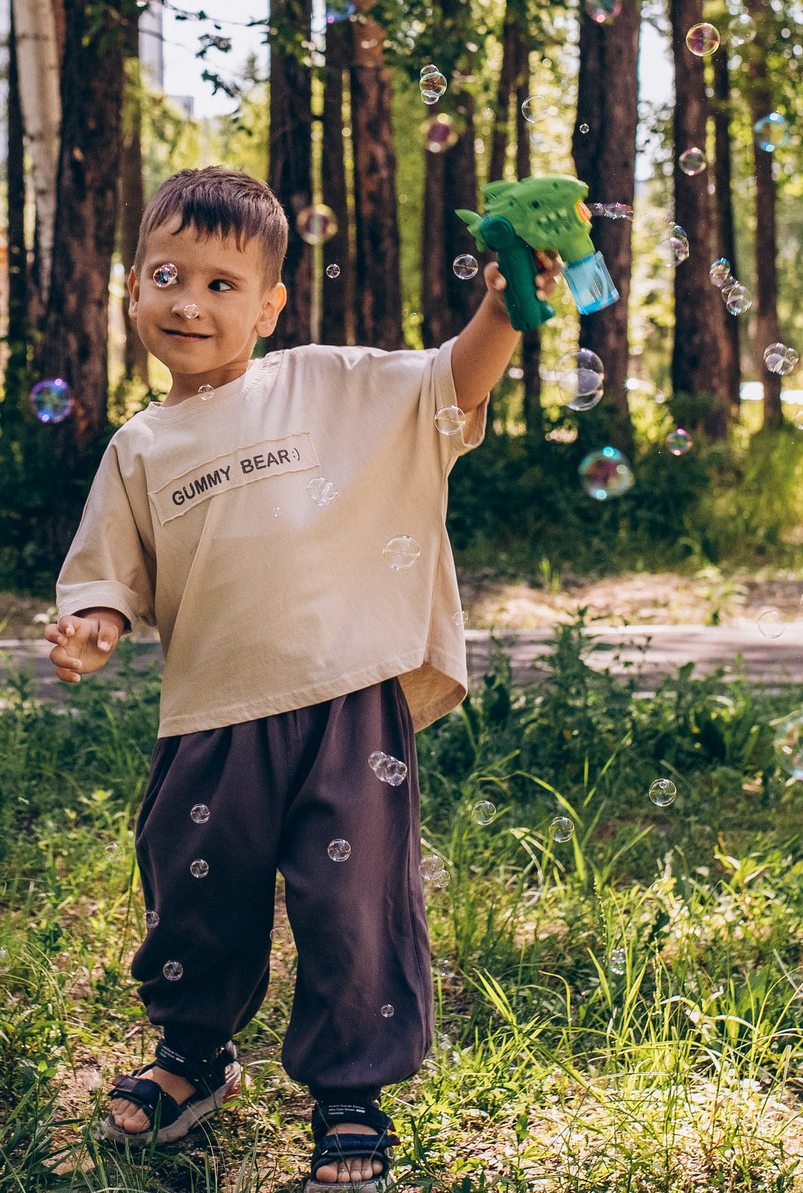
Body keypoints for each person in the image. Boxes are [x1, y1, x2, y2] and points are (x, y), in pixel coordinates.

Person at [46, 165, 555, 1191]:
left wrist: (500, 307)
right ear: (130, 289)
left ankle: (350, 1100)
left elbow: (453, 383)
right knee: (194, 895)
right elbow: (106, 570)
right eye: (166, 275)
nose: (190, 301)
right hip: (210, 718)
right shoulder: (138, 446)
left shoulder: (325, 382)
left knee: (350, 904)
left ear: (270, 305)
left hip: (344, 700)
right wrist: (94, 623)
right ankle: (192, 1057)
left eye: (223, 284)